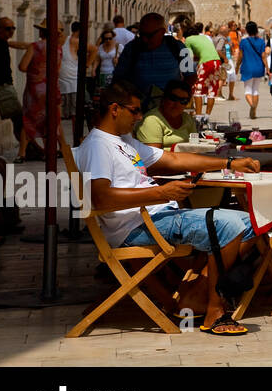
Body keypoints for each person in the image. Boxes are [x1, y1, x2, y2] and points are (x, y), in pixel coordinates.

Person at [76, 81, 260, 335]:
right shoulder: (98, 145)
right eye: (135, 111)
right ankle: (215, 312)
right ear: (115, 109)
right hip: (135, 227)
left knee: (253, 221)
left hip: (156, 217)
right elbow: (101, 198)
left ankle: (196, 294)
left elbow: (172, 159)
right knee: (227, 225)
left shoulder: (124, 141)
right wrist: (161, 193)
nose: (139, 117)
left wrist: (228, 163)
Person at [112, 12, 195, 109]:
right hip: (139, 110)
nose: (144, 39)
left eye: (149, 35)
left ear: (162, 32)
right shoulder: (131, 48)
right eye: (142, 34)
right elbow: (118, 78)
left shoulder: (179, 47)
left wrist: (176, 97)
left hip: (168, 109)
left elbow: (191, 76)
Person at [0, 18, 30, 162]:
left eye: (13, 28)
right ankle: (27, 150)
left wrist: (34, 46)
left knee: (19, 120)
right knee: (19, 120)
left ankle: (29, 149)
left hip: (7, 86)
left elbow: (18, 44)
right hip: (3, 88)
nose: (11, 31)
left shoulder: (2, 43)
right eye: (8, 28)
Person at [19, 24, 59, 159]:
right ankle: (48, 152)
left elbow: (23, 66)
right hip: (51, 88)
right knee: (48, 119)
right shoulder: (58, 49)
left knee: (28, 119)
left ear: (42, 32)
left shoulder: (35, 46)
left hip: (34, 89)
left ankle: (22, 153)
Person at [136, 80, 197, 148]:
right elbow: (153, 155)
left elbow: (195, 145)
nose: (177, 104)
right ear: (163, 98)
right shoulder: (151, 120)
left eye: (183, 101)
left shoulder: (188, 119)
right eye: (173, 98)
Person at [59, 21, 96, 128]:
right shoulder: (72, 41)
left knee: (74, 114)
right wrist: (87, 65)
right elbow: (94, 49)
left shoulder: (71, 41)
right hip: (64, 83)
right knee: (68, 115)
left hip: (72, 83)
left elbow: (94, 50)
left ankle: (76, 138)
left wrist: (86, 65)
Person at [183, 22, 223, 118]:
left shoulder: (188, 40)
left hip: (206, 63)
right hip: (216, 62)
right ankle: (207, 116)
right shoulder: (204, 37)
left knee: (198, 89)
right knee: (212, 89)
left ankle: (198, 116)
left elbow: (189, 58)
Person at [237, 21, 267, 120]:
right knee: (256, 90)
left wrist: (237, 66)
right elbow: (263, 56)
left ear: (247, 30)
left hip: (247, 67)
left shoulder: (243, 41)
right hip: (259, 68)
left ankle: (252, 106)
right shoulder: (261, 41)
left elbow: (240, 56)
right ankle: (254, 110)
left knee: (248, 90)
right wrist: (268, 68)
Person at [94, 26, 123, 90]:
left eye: (110, 38)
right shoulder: (101, 47)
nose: (108, 40)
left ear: (113, 37)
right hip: (102, 73)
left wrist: (118, 61)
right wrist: (94, 69)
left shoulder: (118, 46)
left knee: (112, 93)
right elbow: (97, 59)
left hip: (113, 73)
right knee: (103, 93)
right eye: (106, 39)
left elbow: (124, 60)